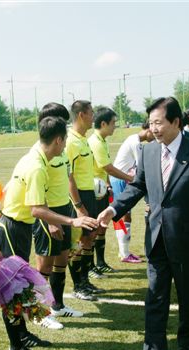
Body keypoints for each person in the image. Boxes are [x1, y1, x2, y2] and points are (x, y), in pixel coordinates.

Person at [98, 97, 189, 350]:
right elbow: (138, 185)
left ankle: (187, 340)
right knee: (155, 298)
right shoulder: (148, 152)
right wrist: (113, 208)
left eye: (159, 122)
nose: (154, 128)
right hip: (156, 240)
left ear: (176, 122)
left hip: (188, 242)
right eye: (151, 123)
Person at [0, 116, 98, 350]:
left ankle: (23, 335)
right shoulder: (37, 166)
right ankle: (16, 347)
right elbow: (37, 208)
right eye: (64, 143)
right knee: (11, 292)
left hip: (18, 227)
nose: (64, 149)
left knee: (19, 289)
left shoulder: (35, 157)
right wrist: (72, 221)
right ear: (59, 140)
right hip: (11, 230)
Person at [31, 103, 84, 330]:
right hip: (48, 213)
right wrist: (50, 220)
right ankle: (39, 314)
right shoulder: (41, 153)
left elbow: (68, 178)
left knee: (62, 260)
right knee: (45, 265)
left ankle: (58, 306)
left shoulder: (61, 149)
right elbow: (36, 196)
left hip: (64, 210)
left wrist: (77, 206)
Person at [88, 107, 136, 272]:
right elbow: (108, 167)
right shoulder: (95, 142)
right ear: (103, 123)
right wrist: (130, 178)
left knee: (101, 227)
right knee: (93, 230)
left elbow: (104, 170)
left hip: (101, 191)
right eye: (113, 123)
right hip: (92, 193)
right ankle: (91, 266)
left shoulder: (101, 141)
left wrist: (108, 185)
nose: (115, 126)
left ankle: (100, 264)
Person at [65, 100, 104, 301]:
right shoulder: (70, 141)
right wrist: (78, 206)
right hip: (79, 197)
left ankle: (85, 281)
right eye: (91, 113)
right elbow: (68, 176)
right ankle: (78, 285)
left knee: (89, 237)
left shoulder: (83, 139)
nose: (93, 117)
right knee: (78, 242)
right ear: (81, 115)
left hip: (89, 194)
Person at [110, 121, 154, 263]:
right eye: (153, 132)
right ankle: (124, 253)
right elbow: (142, 165)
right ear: (148, 130)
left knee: (123, 215)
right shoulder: (135, 142)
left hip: (120, 179)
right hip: (120, 179)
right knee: (124, 215)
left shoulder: (135, 140)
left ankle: (123, 251)